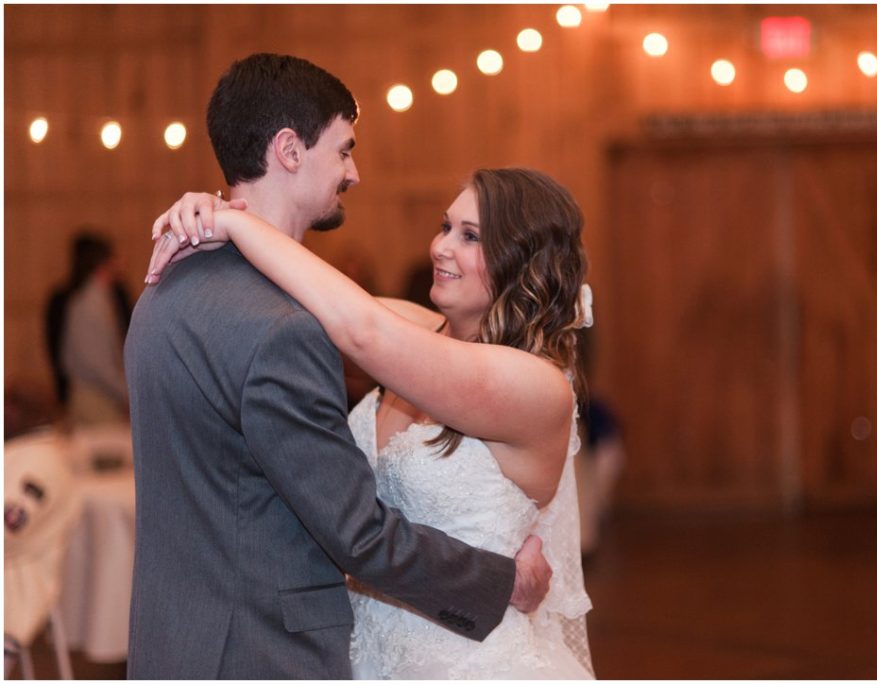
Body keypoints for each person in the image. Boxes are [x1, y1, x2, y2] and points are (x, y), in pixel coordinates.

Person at [124, 54, 550, 680]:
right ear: (290, 150)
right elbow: (359, 536)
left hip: (175, 642)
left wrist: (218, 213)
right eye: (344, 149)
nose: (353, 172)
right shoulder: (285, 331)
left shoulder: (164, 287)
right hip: (261, 654)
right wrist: (500, 581)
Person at [44, 231, 133, 425]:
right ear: (104, 263)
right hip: (94, 396)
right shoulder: (88, 304)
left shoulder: (101, 299)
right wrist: (128, 393)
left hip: (101, 394)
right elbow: (98, 364)